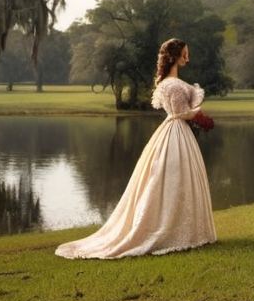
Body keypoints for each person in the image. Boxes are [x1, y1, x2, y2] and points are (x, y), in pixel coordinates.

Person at [55, 38, 217, 258]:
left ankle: (182, 227)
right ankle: (171, 229)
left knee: (176, 179)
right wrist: (199, 117)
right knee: (173, 179)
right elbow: (180, 112)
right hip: (176, 131)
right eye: (184, 54)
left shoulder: (167, 83)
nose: (187, 57)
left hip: (174, 132)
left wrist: (196, 117)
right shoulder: (173, 84)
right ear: (174, 56)